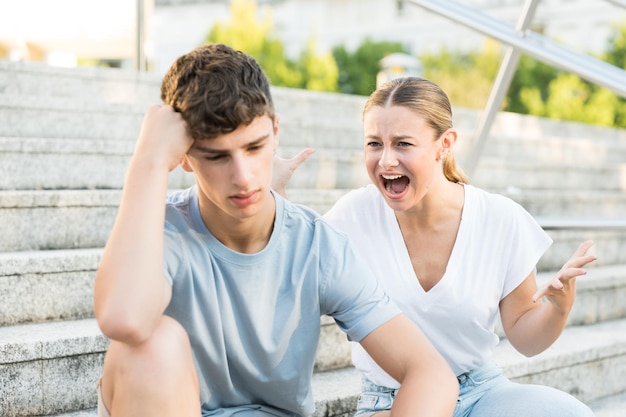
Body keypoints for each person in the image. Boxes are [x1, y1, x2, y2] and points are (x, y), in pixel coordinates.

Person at [93, 45, 458, 417]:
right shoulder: (159, 231)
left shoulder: (317, 245)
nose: (243, 177)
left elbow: (430, 373)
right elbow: (125, 319)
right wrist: (148, 162)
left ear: (276, 131)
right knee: (151, 347)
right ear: (184, 156)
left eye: (255, 147)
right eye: (218, 156)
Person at [275, 76, 597, 417]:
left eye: (402, 144)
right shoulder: (351, 217)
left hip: (479, 394)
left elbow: (525, 338)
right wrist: (274, 199)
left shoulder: (500, 219)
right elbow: (288, 275)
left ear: (444, 144)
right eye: (374, 144)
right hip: (391, 402)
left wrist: (558, 308)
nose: (385, 161)